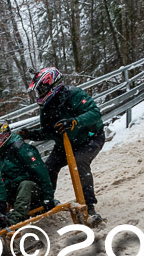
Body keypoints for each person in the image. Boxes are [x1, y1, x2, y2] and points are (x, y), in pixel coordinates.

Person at [20, 67, 105, 224]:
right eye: (38, 91)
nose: (40, 94)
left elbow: (94, 113)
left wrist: (74, 122)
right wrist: (31, 134)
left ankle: (89, 205)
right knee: (48, 169)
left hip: (90, 138)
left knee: (79, 162)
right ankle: (46, 202)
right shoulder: (46, 107)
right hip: (65, 143)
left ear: (52, 84)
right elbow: (49, 132)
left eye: (42, 89)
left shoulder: (74, 94)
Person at [0, 122, 57, 225]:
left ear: (1, 136)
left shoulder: (22, 149)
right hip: (15, 192)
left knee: (25, 185)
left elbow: (41, 172)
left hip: (34, 191)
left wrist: (48, 198)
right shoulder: (1, 155)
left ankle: (14, 220)